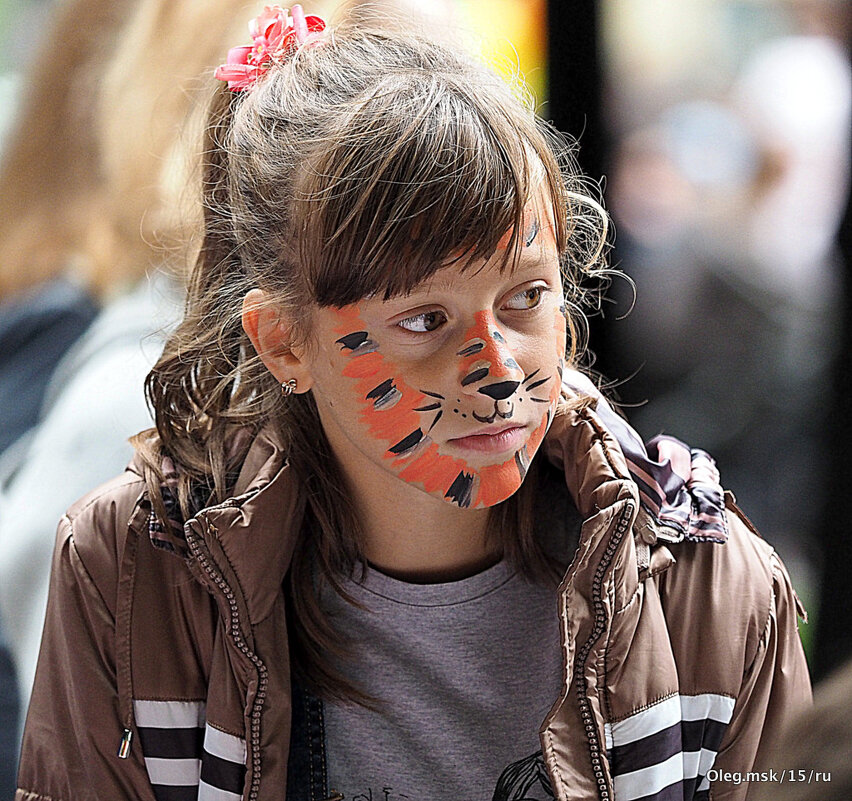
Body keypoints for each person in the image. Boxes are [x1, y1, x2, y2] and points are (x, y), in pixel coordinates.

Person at [15, 6, 810, 801]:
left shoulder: (709, 591)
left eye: (527, 296)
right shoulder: (136, 578)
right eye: (425, 320)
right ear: (284, 342)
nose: (499, 373)